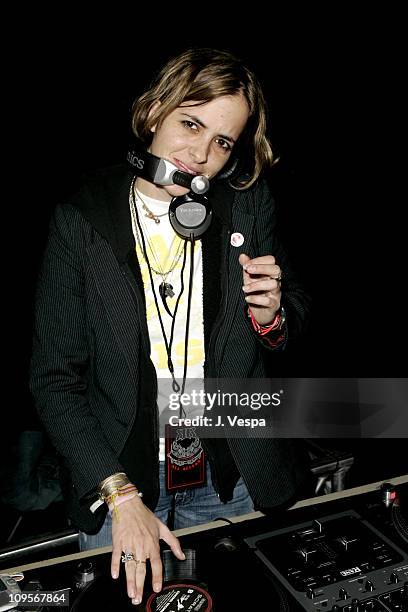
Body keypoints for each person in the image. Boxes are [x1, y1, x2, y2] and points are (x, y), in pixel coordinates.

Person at [30, 48, 312, 606]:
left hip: (230, 471)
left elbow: (296, 313)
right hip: (124, 481)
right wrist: (119, 494)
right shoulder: (83, 219)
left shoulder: (246, 206)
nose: (202, 155)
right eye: (191, 123)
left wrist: (272, 315)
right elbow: (52, 381)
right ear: (156, 110)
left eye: (223, 142)